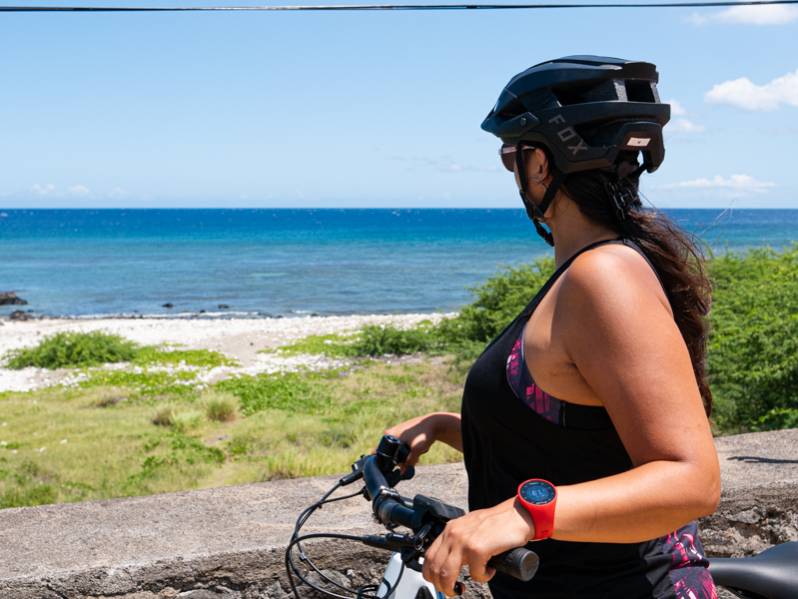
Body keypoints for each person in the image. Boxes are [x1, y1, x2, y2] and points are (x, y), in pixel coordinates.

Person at [384, 56, 720, 599]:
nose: (511, 172)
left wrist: (522, 515)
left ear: (541, 165)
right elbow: (576, 447)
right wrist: (444, 426)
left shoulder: (604, 277)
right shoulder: (585, 274)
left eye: (508, 157)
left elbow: (691, 479)